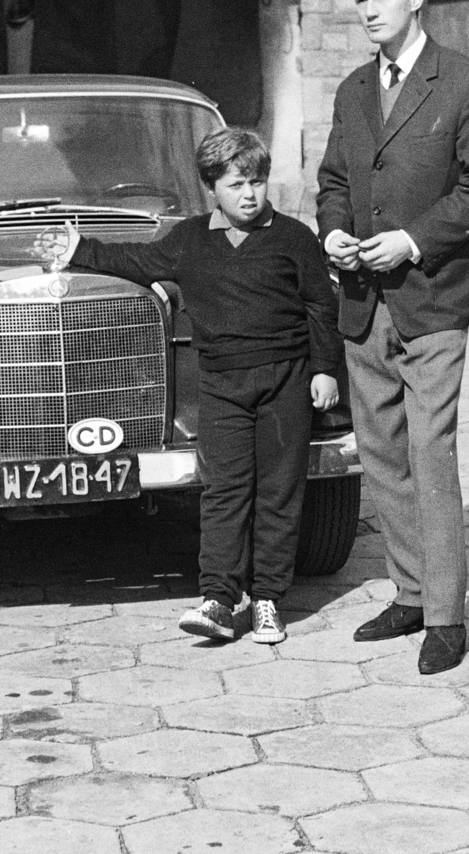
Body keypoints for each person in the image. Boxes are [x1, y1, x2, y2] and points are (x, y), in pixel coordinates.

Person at [58, 126, 342, 645]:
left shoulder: (294, 238)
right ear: (212, 186)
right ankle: (217, 597)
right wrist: (81, 247)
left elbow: (321, 304)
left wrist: (324, 369)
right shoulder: (190, 240)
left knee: (278, 491)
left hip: (286, 380)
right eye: (236, 184)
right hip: (223, 384)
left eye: (257, 181)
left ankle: (268, 600)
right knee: (225, 490)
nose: (250, 194)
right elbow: (138, 263)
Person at [317, 0, 469, 674]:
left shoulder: (463, 82)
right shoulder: (352, 91)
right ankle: (407, 593)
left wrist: (411, 241)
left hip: (433, 300)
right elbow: (334, 176)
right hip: (363, 302)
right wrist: (334, 228)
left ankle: (446, 618)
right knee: (383, 453)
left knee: (431, 452)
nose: (368, 12)